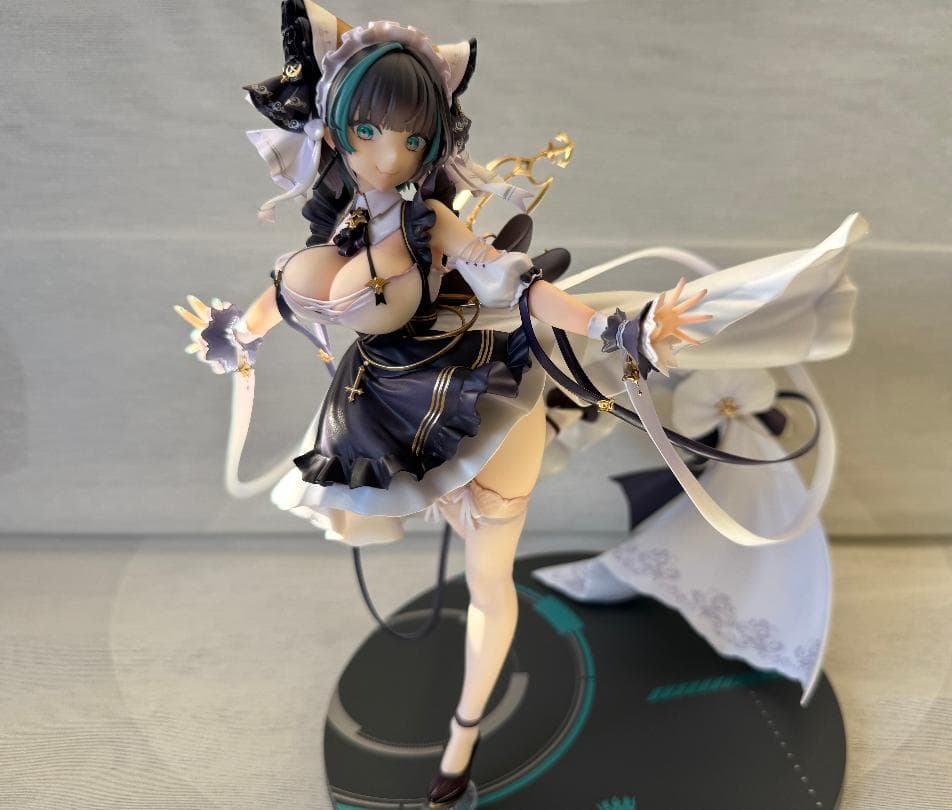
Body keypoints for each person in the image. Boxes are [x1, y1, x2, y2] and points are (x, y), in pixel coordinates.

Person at [177, 2, 865, 806]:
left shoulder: (429, 221)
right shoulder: (332, 228)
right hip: (381, 411)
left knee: (488, 580)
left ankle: (461, 739)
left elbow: (521, 286)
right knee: (409, 533)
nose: (390, 154)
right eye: (368, 132)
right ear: (334, 127)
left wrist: (617, 327)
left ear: (433, 142)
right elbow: (277, 305)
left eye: (411, 140)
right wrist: (233, 337)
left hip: (476, 403)